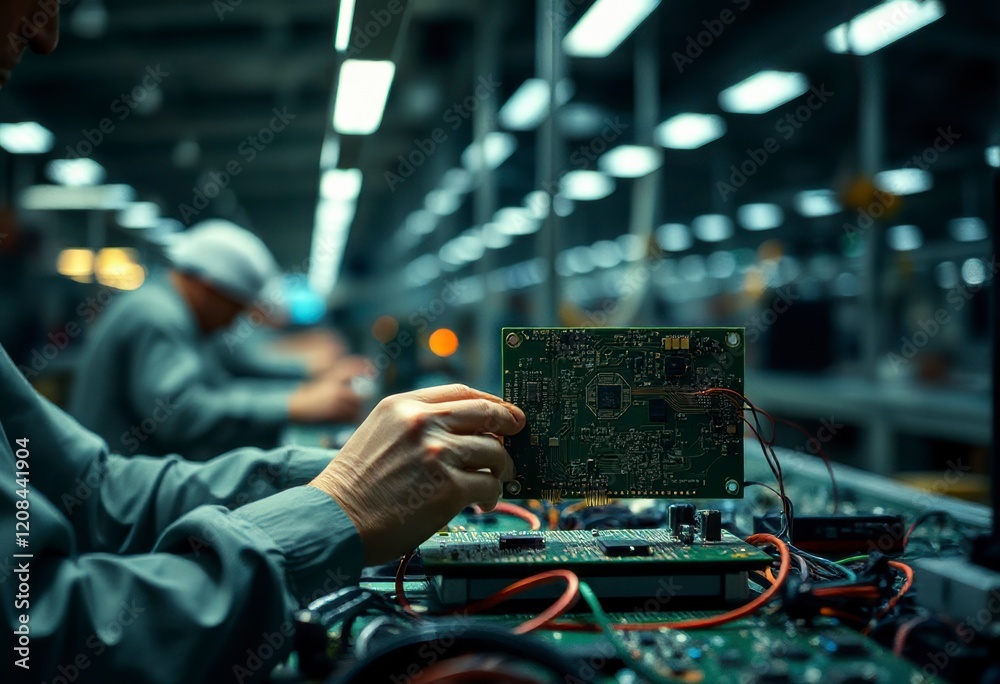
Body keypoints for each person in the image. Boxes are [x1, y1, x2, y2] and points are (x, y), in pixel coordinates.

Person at [1, 4, 524, 682]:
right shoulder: (156, 315)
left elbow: (101, 496)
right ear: (211, 287)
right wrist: (334, 509)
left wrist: (321, 472)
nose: (48, 33)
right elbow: (36, 640)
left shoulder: (184, 317)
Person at [68, 219, 369, 460]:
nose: (233, 321)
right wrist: (293, 404)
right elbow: (182, 415)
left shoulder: (176, 313)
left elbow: (219, 386)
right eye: (235, 308)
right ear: (208, 286)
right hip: (117, 511)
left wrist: (300, 394)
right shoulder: (156, 316)